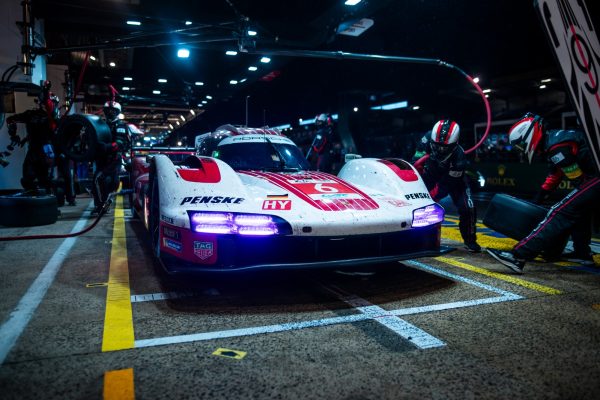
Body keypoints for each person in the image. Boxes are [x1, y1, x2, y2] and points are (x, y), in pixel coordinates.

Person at [486, 113, 600, 273]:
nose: (521, 150)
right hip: (595, 177)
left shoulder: (557, 147)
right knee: (578, 209)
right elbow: (555, 175)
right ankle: (583, 254)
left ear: (529, 137)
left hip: (596, 178)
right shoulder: (554, 142)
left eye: (520, 145)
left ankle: (518, 256)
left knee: (560, 212)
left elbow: (580, 182)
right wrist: (538, 198)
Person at [413, 120, 481, 252]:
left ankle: (470, 240)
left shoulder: (460, 159)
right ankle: (416, 237)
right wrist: (419, 169)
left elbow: (447, 184)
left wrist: (433, 195)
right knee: (417, 204)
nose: (440, 150)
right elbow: (416, 160)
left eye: (445, 147)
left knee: (468, 208)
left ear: (455, 144)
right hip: (430, 174)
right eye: (437, 146)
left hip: (455, 181)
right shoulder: (426, 139)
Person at [6, 81, 58, 193]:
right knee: (28, 178)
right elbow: (10, 119)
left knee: (45, 179)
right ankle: (34, 199)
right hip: (34, 149)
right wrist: (14, 135)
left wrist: (45, 91)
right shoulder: (31, 114)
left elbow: (48, 105)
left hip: (46, 150)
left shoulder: (53, 118)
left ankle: (47, 200)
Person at [91, 101, 128, 215]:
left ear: (117, 112)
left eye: (113, 111)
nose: (110, 112)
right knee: (101, 181)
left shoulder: (121, 126)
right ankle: (102, 203)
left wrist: (107, 147)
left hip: (114, 159)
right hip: (101, 158)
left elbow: (120, 142)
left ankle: (101, 205)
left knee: (100, 179)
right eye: (108, 110)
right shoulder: (101, 124)